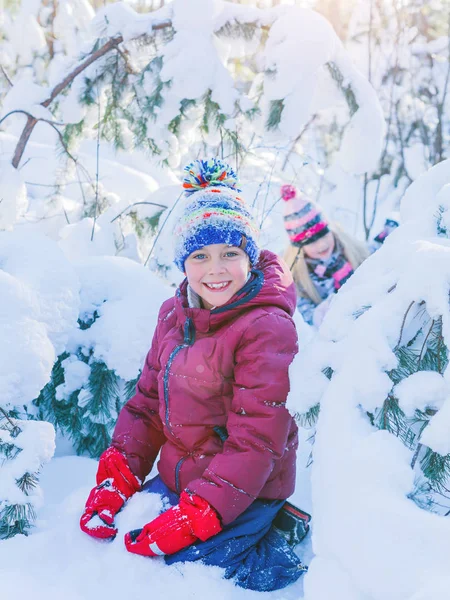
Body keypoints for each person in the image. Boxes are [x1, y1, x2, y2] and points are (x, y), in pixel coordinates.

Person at [79, 159, 308, 592]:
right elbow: (146, 405)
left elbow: (257, 439)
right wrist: (118, 477)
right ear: (183, 263)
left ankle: (278, 535)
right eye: (200, 256)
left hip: (248, 485)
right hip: (182, 475)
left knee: (185, 570)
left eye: (230, 254)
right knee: (124, 541)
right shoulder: (173, 313)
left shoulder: (266, 328)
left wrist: (201, 511)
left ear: (250, 257)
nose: (215, 269)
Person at [281, 184, 369, 327]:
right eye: (311, 241)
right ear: (300, 247)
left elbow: (374, 258)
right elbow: (302, 311)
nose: (321, 244)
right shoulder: (298, 278)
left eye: (323, 234)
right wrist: (317, 315)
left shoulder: (351, 250)